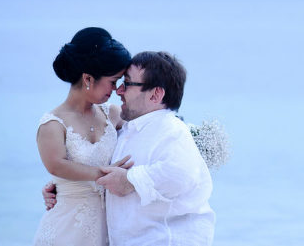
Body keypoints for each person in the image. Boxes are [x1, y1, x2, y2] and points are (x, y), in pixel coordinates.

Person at [44, 51, 216, 246]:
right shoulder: (128, 129)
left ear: (155, 95)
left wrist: (130, 181)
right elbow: (106, 170)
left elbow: (182, 174)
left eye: (127, 83)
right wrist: (66, 187)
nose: (119, 91)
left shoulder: (172, 131)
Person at [33, 27, 133, 246]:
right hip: (66, 230)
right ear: (88, 78)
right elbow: (56, 166)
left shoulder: (112, 114)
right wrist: (106, 175)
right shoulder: (53, 124)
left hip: (111, 229)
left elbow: (146, 133)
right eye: (113, 81)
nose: (116, 89)